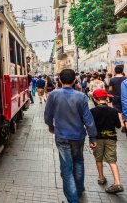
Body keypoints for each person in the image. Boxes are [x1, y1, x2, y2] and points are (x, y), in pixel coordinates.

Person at [44, 69, 97, 203]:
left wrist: (51, 127)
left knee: (66, 168)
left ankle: (73, 200)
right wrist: (92, 137)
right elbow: (88, 119)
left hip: (62, 136)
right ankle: (78, 190)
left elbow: (47, 115)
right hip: (78, 136)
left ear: (60, 80)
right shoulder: (81, 96)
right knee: (78, 161)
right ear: (74, 80)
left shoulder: (53, 95)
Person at [90, 89, 124, 194]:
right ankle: (117, 183)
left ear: (94, 99)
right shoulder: (113, 111)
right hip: (111, 138)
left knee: (98, 158)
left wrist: (91, 138)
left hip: (97, 138)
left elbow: (90, 126)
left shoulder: (92, 111)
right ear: (107, 98)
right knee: (112, 160)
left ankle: (101, 177)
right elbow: (118, 125)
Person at [109, 65, 126, 132]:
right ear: (122, 71)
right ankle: (125, 121)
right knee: (125, 109)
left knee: (118, 111)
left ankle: (122, 124)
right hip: (125, 97)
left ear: (115, 71)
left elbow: (110, 89)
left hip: (116, 97)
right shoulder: (125, 78)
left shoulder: (112, 79)